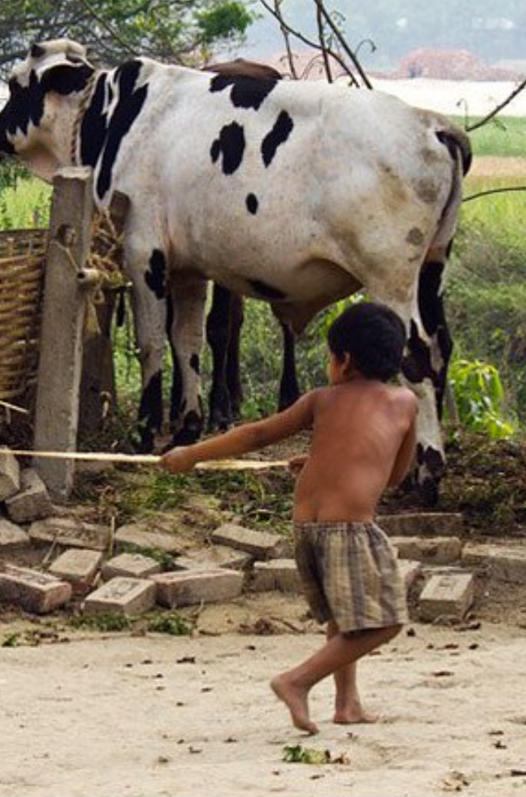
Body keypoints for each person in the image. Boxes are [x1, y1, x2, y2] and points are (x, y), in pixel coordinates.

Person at [161, 302, 416, 734]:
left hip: (306, 528)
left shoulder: (322, 400)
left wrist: (191, 454)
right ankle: (297, 681)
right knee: (385, 621)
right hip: (350, 529)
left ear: (344, 360)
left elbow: (258, 434)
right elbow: (391, 477)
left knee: (343, 612)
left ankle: (347, 703)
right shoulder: (405, 402)